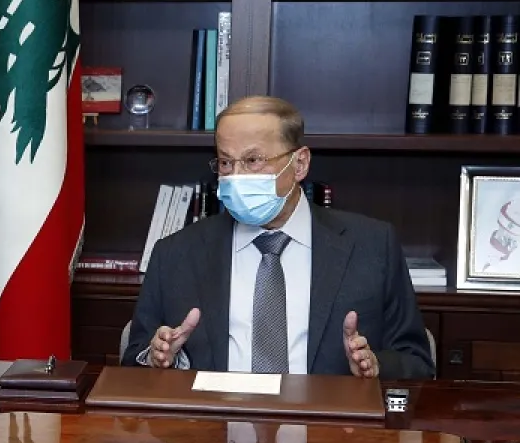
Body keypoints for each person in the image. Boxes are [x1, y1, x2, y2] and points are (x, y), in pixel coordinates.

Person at [125, 95, 433, 379]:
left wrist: (375, 367)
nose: (236, 176)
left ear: (299, 164)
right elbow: (133, 362)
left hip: (331, 429)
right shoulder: (175, 254)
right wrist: (157, 359)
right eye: (225, 162)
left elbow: (416, 362)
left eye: (253, 160)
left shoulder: (373, 246)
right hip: (211, 429)